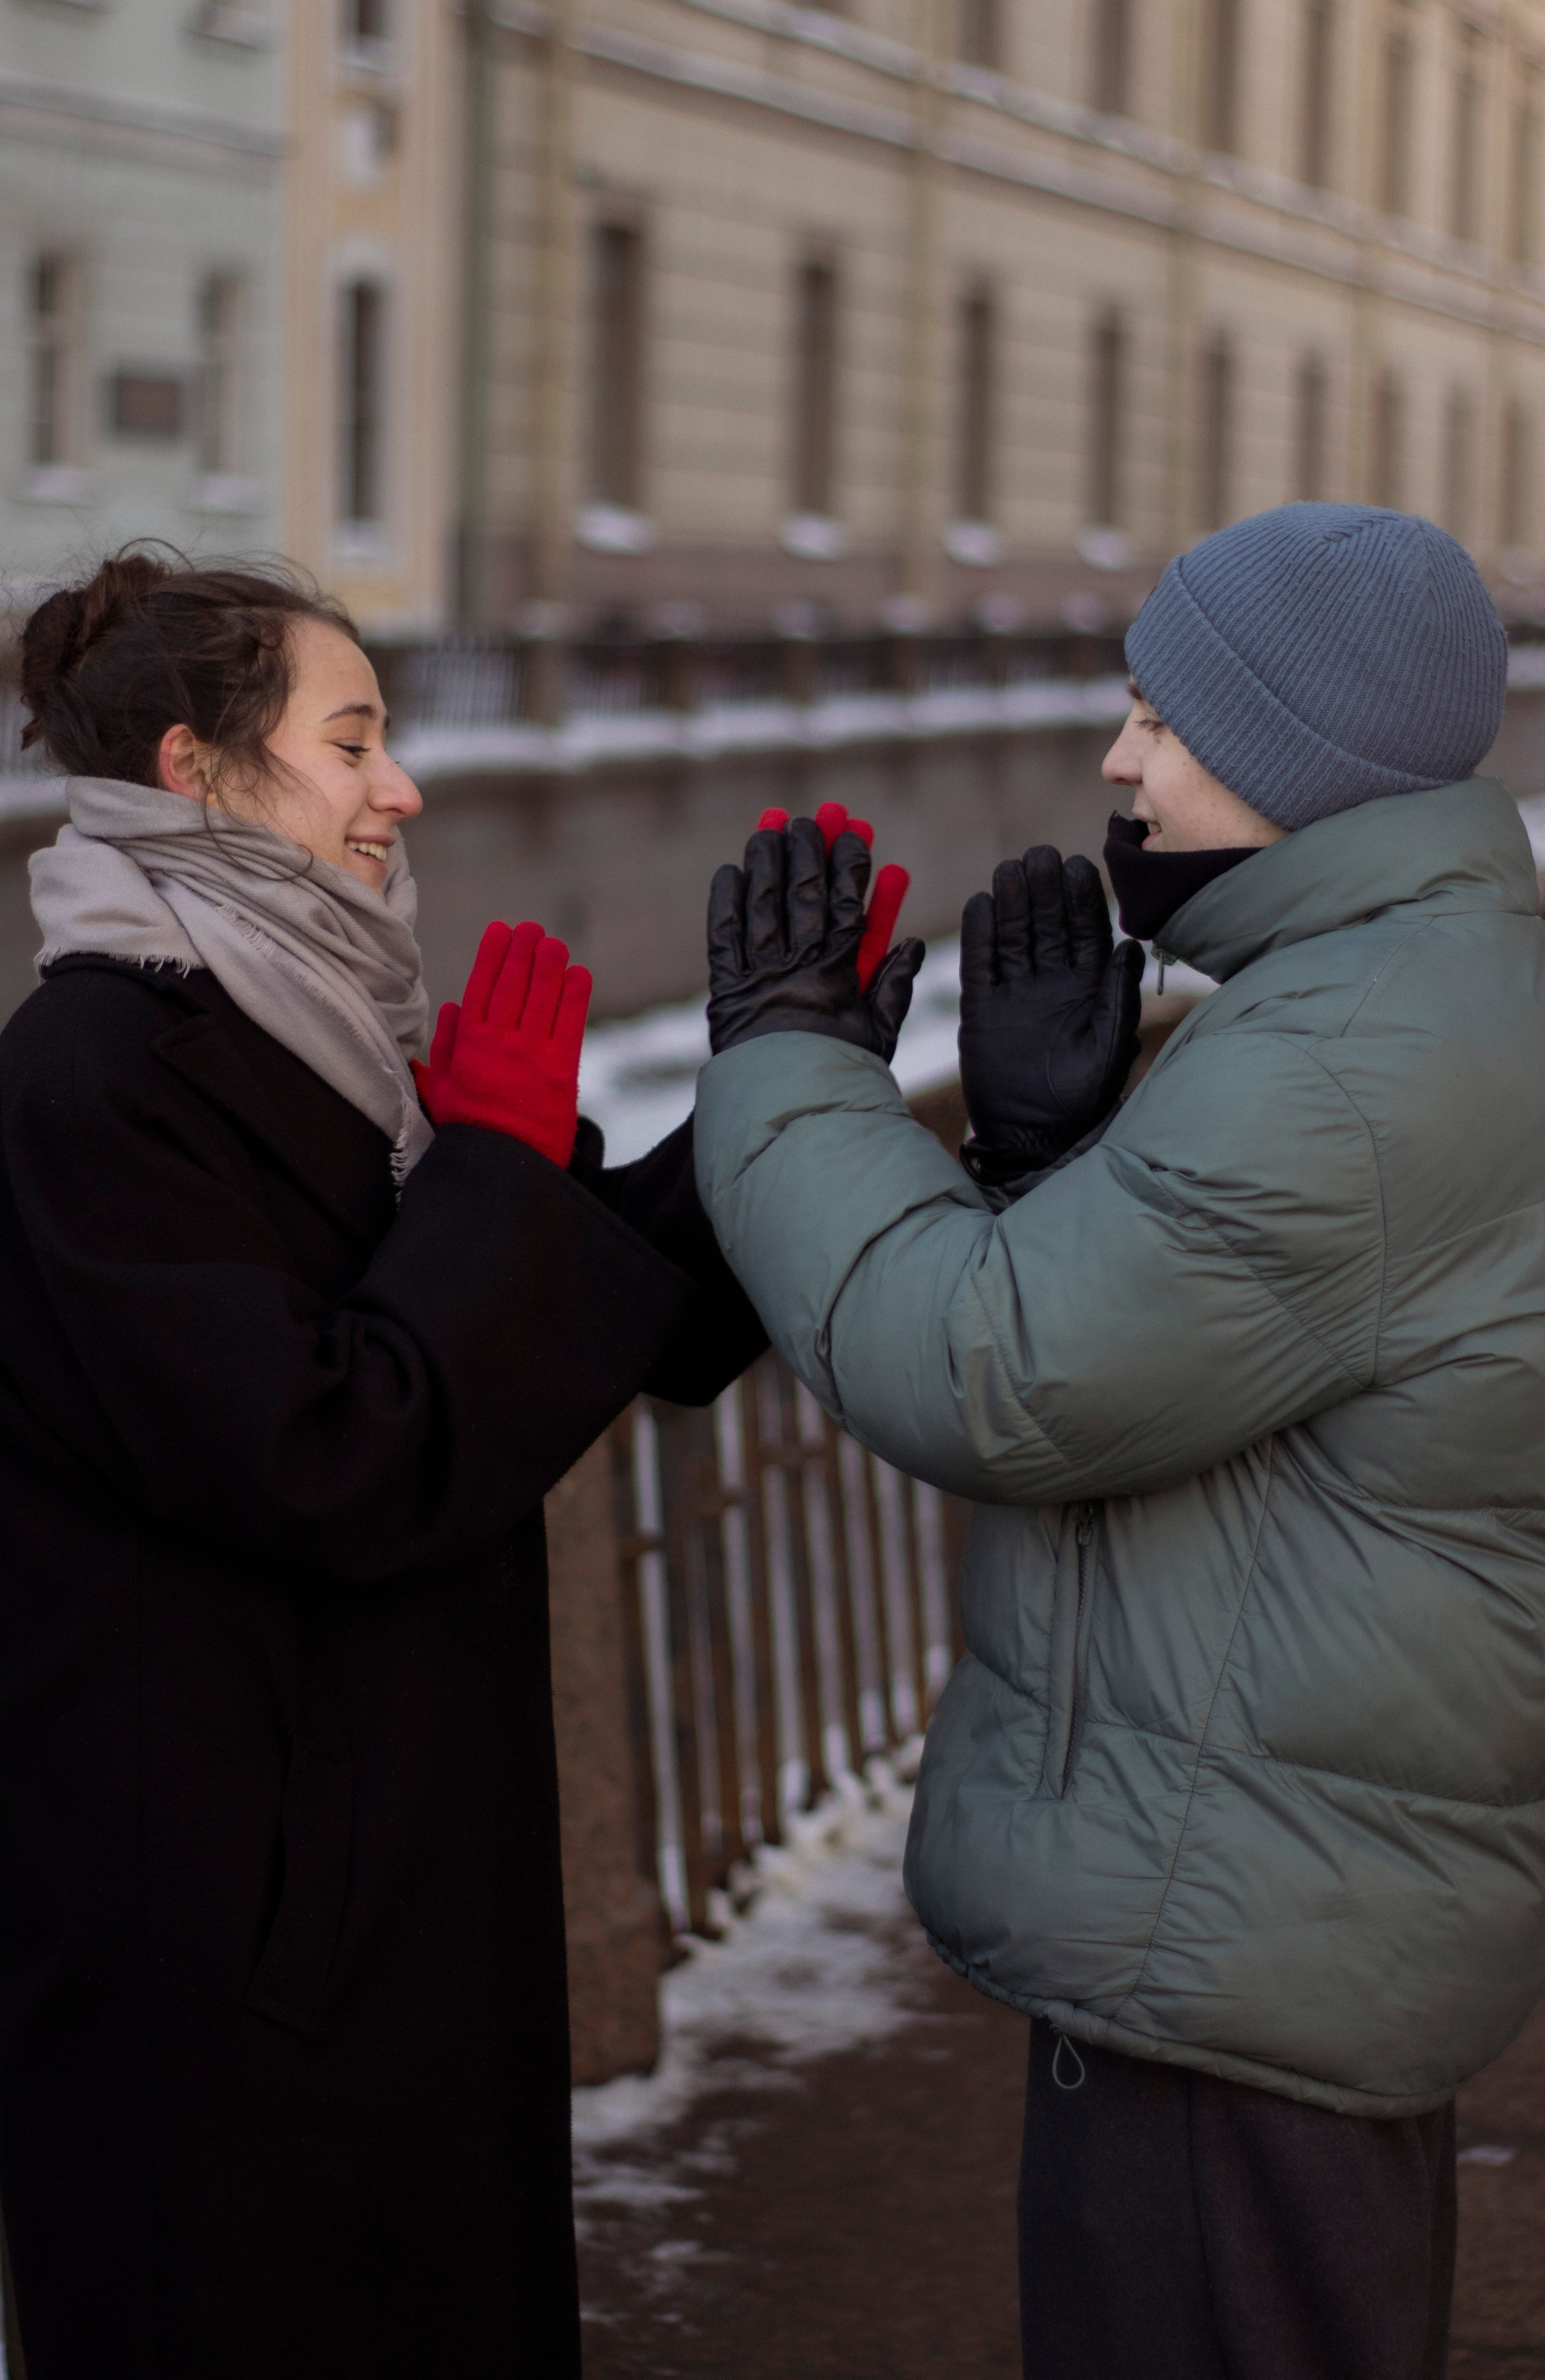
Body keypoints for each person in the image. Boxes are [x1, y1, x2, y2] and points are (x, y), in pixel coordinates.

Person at [693, 503, 1544, 2380]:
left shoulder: (1345, 1057)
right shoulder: (1406, 996)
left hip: (1240, 1935)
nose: (1116, 758)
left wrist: (783, 1063)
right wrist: (1049, 1163)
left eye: (1162, 716)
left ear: (1298, 756)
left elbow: (992, 1370)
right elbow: (1223, 1372)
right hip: (1286, 1890)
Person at [0, 549, 764, 2380]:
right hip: (214, 1958)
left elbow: (606, 1310)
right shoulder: (96, 1085)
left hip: (366, 1899)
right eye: (350, 741)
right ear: (194, 768)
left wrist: (785, 1088)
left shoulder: (327, 1037)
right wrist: (490, 1171)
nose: (400, 787)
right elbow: (336, 1449)